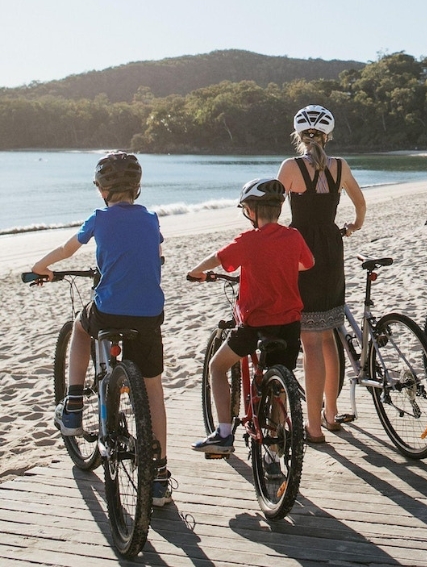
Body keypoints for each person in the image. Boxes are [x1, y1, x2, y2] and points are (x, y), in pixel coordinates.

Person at [31, 152, 173, 506]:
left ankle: (75, 403)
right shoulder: (152, 219)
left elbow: (68, 249)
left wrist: (41, 265)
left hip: (109, 311)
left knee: (81, 328)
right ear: (136, 188)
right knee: (153, 388)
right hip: (149, 315)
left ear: (102, 190)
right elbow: (154, 257)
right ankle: (158, 478)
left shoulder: (98, 218)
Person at [189, 178, 314, 456]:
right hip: (290, 324)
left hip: (254, 326)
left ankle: (222, 434)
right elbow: (307, 264)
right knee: (283, 380)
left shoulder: (249, 240)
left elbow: (218, 258)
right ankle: (276, 441)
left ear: (251, 211)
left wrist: (196, 271)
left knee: (216, 367)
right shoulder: (293, 237)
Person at [277, 105, 366, 444]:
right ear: (328, 135)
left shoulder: (291, 167)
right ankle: (331, 414)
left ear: (299, 135)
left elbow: (269, 207)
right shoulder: (340, 166)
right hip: (331, 247)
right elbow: (360, 204)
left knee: (310, 340)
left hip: (302, 251)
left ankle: (313, 427)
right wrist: (353, 227)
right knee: (329, 334)